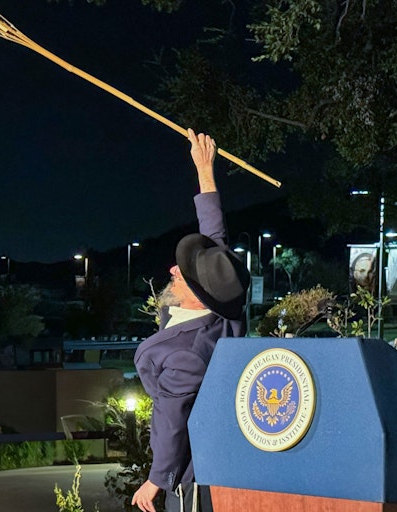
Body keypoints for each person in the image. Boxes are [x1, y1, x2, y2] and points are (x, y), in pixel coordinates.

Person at [131, 129, 250, 512]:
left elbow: (171, 418)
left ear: (197, 295)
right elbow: (215, 238)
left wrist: (156, 480)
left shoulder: (188, 354)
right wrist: (204, 169)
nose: (172, 270)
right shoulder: (224, 307)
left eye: (179, 275)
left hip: (192, 476)